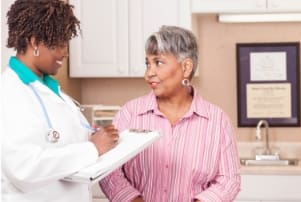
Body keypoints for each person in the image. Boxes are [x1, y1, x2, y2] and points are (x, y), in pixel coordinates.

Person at [99, 25, 241, 202]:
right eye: (147, 64)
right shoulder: (130, 114)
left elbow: (229, 180)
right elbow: (109, 171)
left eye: (158, 62)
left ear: (186, 67)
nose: (148, 74)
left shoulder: (218, 121)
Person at [1, 0, 119, 202]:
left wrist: (92, 137)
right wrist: (92, 148)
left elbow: (60, 143)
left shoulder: (51, 90)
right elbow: (23, 168)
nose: (65, 52)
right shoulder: (10, 93)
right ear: (34, 42)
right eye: (59, 43)